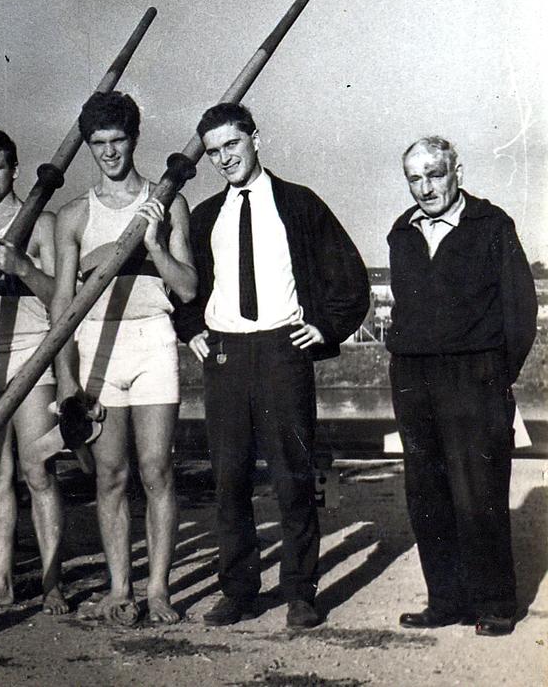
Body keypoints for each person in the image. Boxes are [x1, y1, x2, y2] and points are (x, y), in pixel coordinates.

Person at [178, 102, 369, 630]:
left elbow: (350, 278)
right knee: (229, 480)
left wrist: (326, 327)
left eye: (232, 145)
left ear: (255, 139)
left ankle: (300, 593)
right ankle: (238, 590)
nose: (224, 158)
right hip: (225, 357)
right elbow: (184, 285)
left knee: (292, 476)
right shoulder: (205, 216)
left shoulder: (299, 204)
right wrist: (190, 328)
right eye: (213, 152)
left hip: (283, 353)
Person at [52, 92, 197, 624]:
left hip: (153, 340)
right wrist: (66, 382)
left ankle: (158, 590)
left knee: (157, 470)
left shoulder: (169, 202)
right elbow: (61, 308)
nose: (109, 152)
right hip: (97, 346)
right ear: (88, 146)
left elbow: (187, 289)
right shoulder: (73, 216)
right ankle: (120, 589)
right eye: (98, 143)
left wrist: (154, 243)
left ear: (135, 139)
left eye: (118, 140)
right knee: (110, 474)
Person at [387, 136, 536, 637]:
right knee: (426, 493)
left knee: (479, 493)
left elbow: (521, 311)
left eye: (435, 175)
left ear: (457, 173)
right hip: (414, 377)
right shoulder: (401, 232)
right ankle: (445, 600)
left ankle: (494, 604)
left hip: (476, 376)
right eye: (414, 178)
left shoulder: (491, 225)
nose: (425, 188)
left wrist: (493, 375)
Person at [0, 129, 67, 615]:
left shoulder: (42, 223)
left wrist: (22, 267)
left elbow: (61, 298)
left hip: (31, 358)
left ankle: (51, 582)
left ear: (14, 170)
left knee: (38, 470)